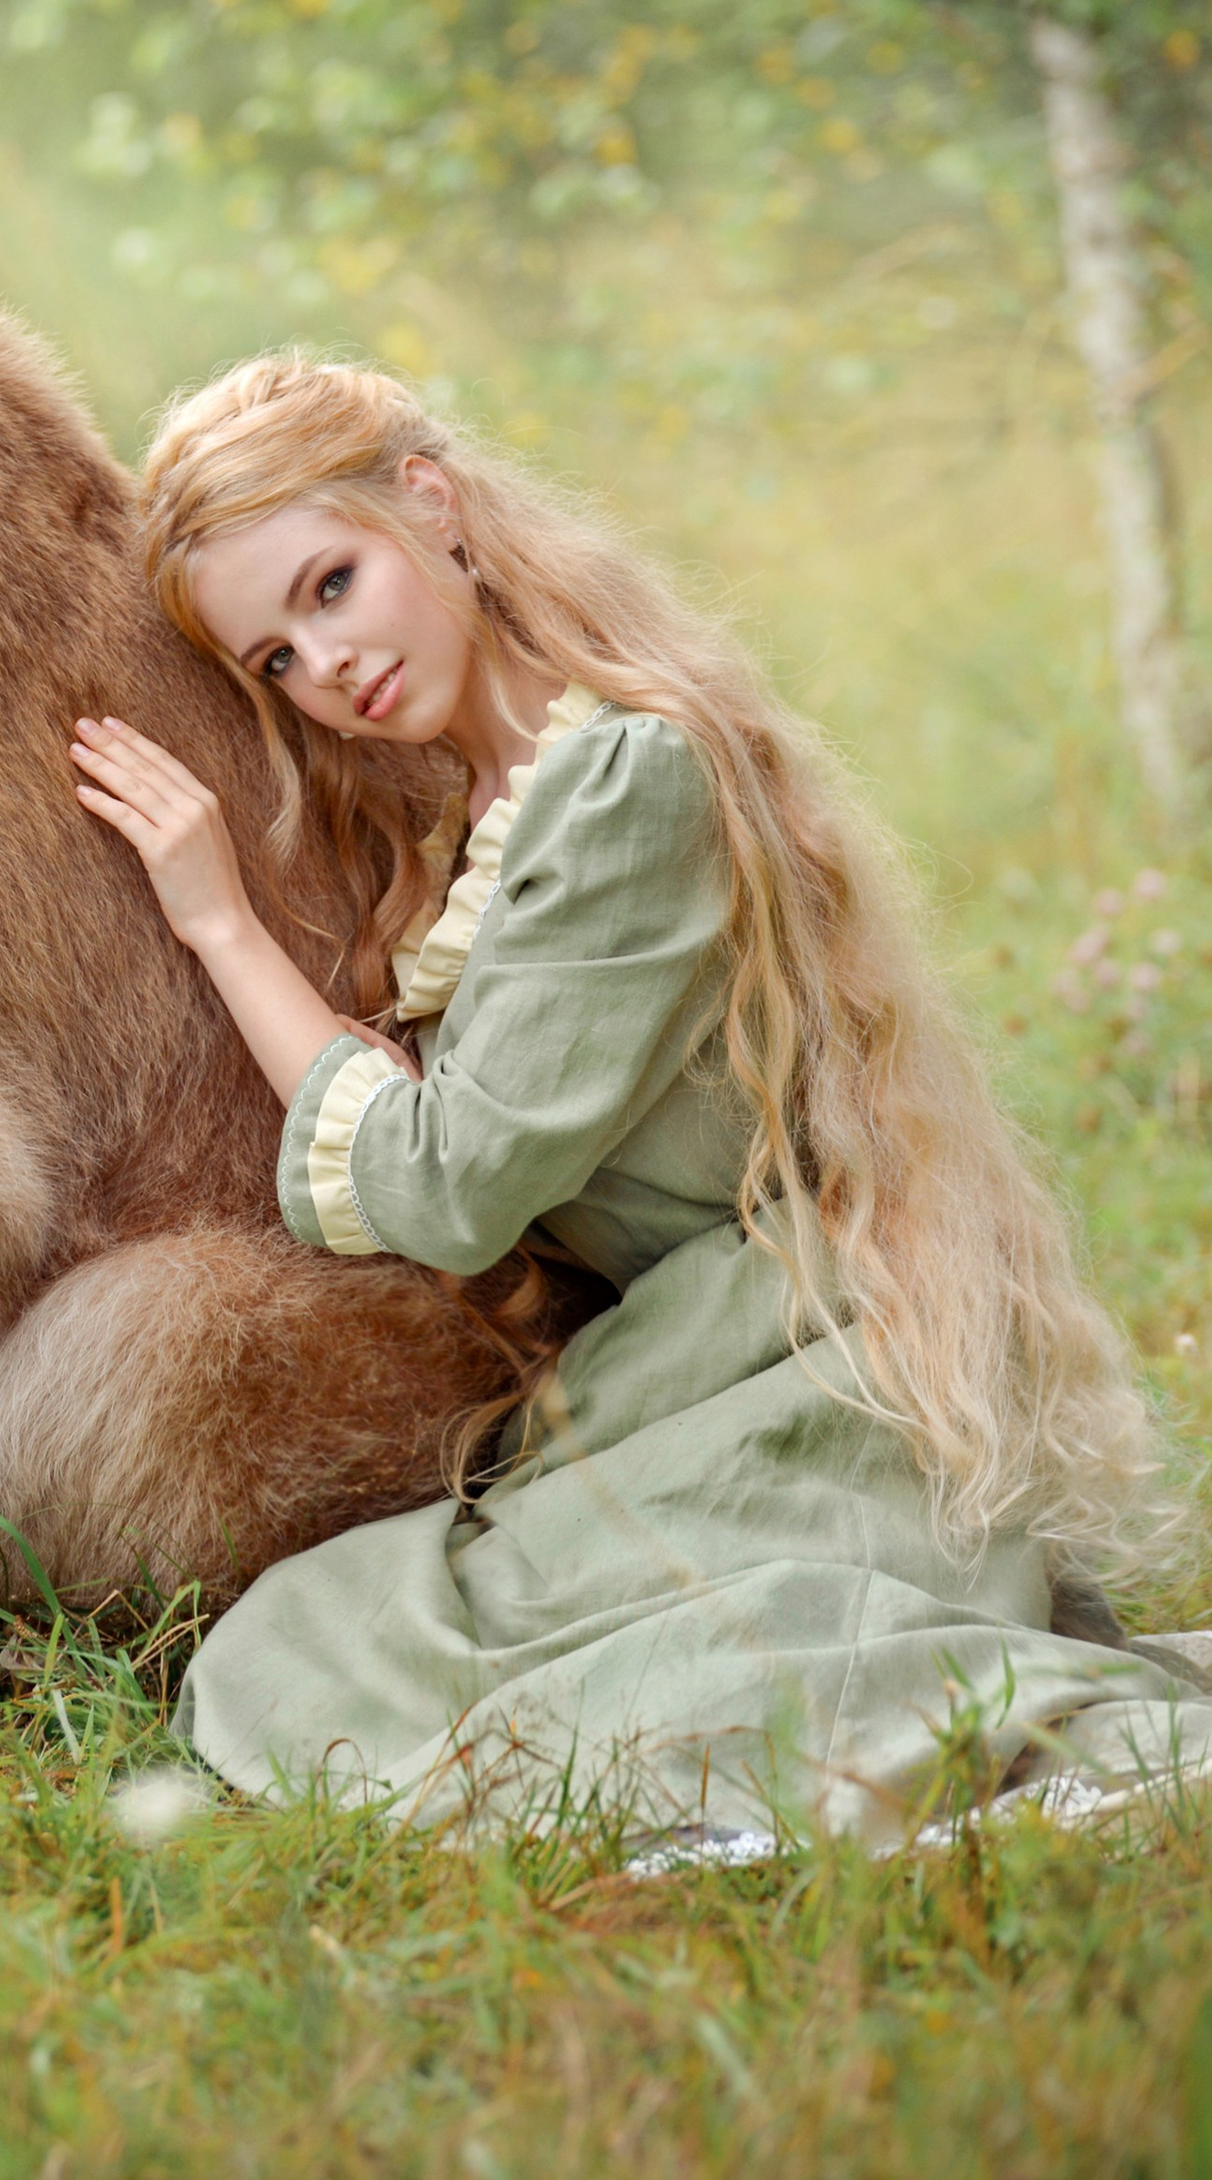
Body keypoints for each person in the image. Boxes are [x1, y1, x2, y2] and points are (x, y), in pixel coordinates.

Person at [67, 350, 1207, 1841]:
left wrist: (216, 921)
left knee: (404, 1672)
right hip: (688, 1354)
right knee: (311, 1640)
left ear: (433, 504)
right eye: (275, 657)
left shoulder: (624, 786)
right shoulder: (484, 810)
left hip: (806, 1355)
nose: (324, 666)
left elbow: (450, 1189)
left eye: (331, 585)